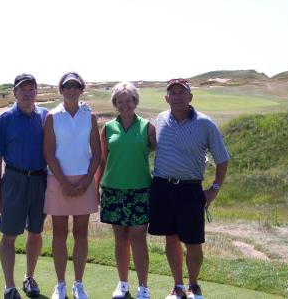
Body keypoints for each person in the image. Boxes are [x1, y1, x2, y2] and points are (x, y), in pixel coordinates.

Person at [148, 78, 230, 299]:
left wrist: (214, 188)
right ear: (167, 98)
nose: (177, 96)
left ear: (190, 97)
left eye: (181, 92)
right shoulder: (161, 118)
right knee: (171, 239)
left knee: (193, 241)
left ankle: (193, 285)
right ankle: (178, 287)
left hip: (190, 189)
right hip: (163, 187)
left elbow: (222, 159)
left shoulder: (205, 124)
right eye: (172, 93)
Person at [0, 73, 48, 299]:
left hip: (39, 181)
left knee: (35, 231)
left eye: (31, 88)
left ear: (36, 92)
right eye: (22, 89)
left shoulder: (45, 116)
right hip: (14, 179)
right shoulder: (4, 119)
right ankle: (9, 286)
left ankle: (29, 277)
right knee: (9, 234)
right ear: (15, 93)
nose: (27, 92)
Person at [96, 82, 156, 299]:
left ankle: (143, 287)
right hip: (113, 190)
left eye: (128, 100)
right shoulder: (108, 128)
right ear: (115, 104)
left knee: (138, 238)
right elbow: (102, 161)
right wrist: (96, 187)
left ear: (135, 101)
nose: (124, 105)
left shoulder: (148, 127)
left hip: (140, 190)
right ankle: (122, 284)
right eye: (119, 101)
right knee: (120, 238)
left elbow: (162, 153)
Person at [43, 72, 100, 299]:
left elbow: (96, 153)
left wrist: (87, 181)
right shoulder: (52, 116)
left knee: (81, 234)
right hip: (58, 180)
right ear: (61, 90)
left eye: (76, 86)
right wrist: (65, 183)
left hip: (84, 179)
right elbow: (48, 153)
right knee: (59, 234)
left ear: (81, 89)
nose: (71, 89)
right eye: (67, 86)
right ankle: (60, 284)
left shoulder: (90, 116)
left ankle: (78, 284)